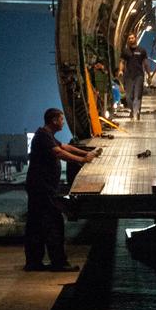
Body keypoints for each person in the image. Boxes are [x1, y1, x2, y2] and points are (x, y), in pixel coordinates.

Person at [23, 108, 98, 272]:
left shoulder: (46, 135)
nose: (64, 122)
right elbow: (59, 153)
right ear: (54, 120)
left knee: (36, 224)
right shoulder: (43, 136)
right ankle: (59, 263)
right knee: (55, 222)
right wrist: (83, 160)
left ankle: (33, 262)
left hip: (41, 187)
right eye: (62, 119)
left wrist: (88, 152)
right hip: (42, 188)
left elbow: (65, 147)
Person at [120, 32, 151, 120]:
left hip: (139, 76)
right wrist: (120, 70)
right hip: (129, 76)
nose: (131, 40)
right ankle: (132, 110)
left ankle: (136, 112)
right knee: (129, 97)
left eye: (132, 38)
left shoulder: (142, 50)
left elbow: (145, 63)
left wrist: (149, 74)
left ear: (135, 38)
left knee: (137, 95)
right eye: (129, 38)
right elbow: (122, 62)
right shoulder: (125, 51)